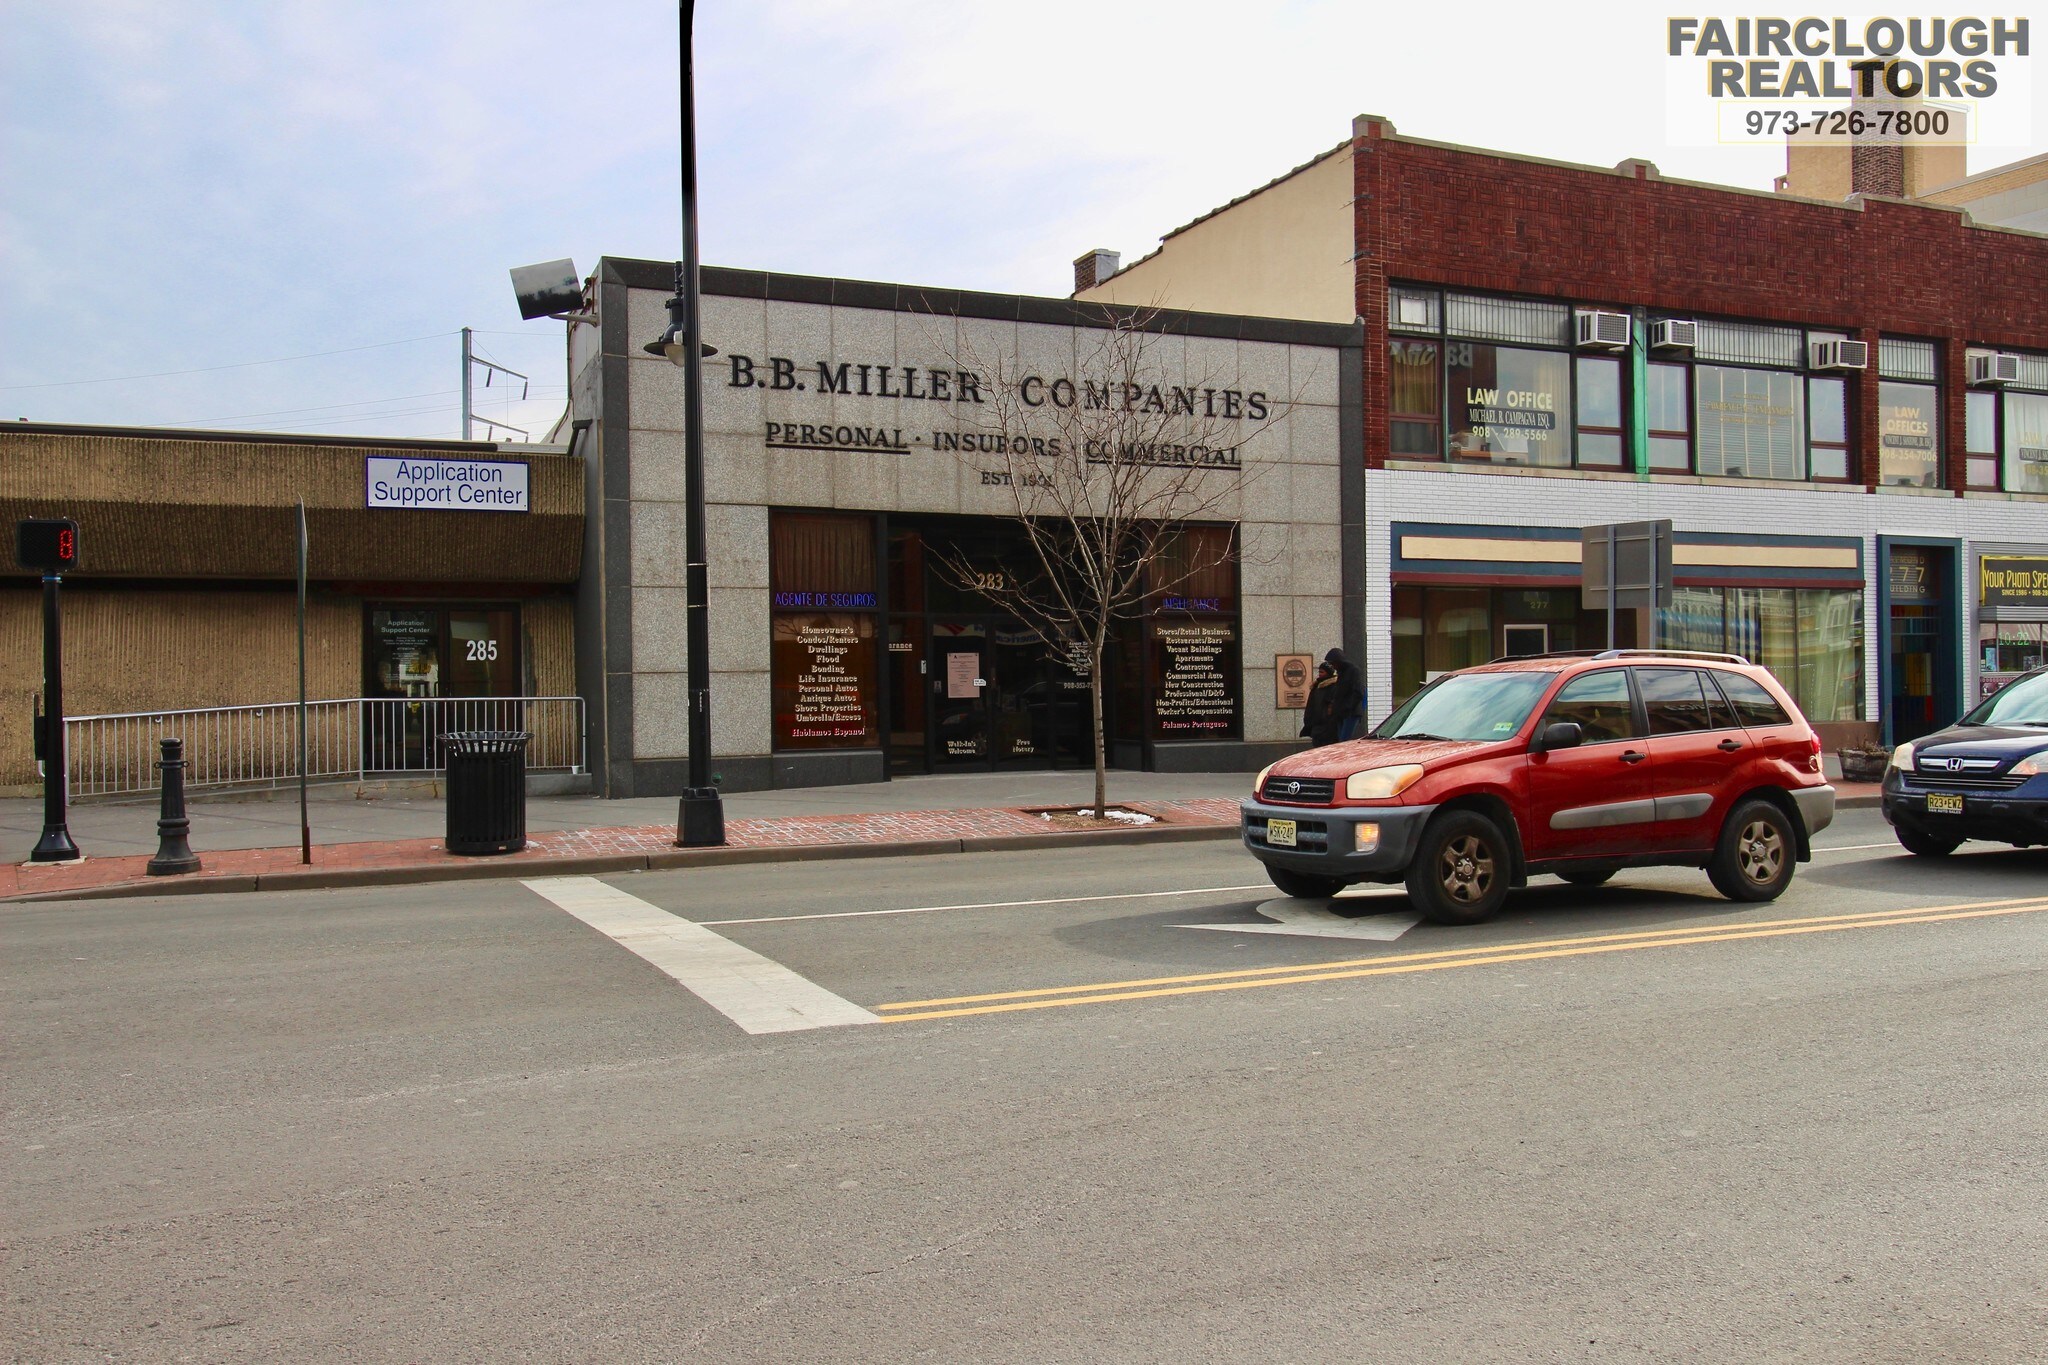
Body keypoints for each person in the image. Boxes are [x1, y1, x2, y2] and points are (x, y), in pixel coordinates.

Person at [1301, 647, 1364, 747]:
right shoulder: (1341, 672)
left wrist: (1346, 706)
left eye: (1333, 663)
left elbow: (1358, 693)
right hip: (1340, 712)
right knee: (1340, 739)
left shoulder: (1353, 671)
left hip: (1349, 712)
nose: (1333, 666)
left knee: (1344, 740)